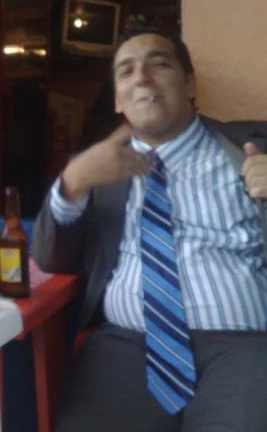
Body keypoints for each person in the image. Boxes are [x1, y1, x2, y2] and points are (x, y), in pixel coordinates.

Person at [32, 27, 267, 432]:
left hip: (243, 345)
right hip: (127, 347)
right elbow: (51, 257)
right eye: (126, 72)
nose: (141, 76)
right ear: (119, 101)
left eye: (158, 64)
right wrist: (69, 185)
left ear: (190, 84)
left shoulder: (253, 144)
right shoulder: (95, 167)